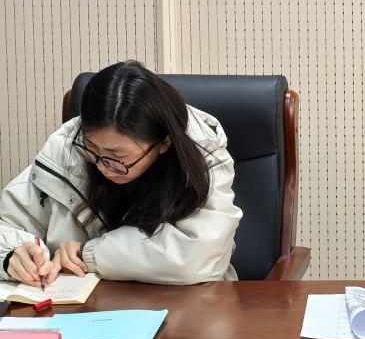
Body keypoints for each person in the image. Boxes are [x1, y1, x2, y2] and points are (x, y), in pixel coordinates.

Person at [0, 61, 242, 285]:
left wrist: (89, 254)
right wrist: (11, 255)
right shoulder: (68, 150)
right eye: (92, 150)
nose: (102, 167)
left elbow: (198, 254)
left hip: (191, 303)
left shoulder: (202, 156)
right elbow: (7, 223)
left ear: (163, 143)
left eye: (117, 157)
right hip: (86, 305)